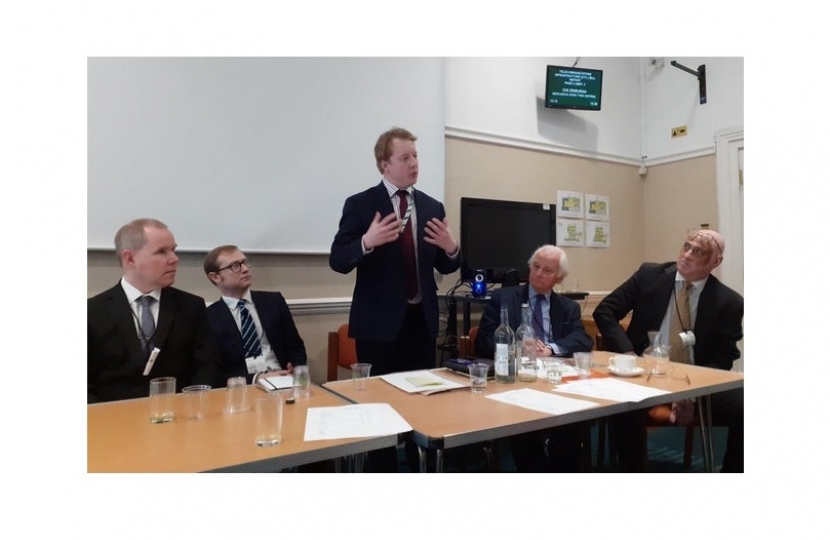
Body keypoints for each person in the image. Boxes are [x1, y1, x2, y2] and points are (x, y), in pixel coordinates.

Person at [330, 127, 460, 472]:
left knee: (424, 405)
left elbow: (447, 263)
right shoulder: (360, 204)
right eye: (405, 158)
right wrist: (366, 241)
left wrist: (452, 247)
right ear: (384, 164)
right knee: (380, 411)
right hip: (378, 328)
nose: (414, 163)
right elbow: (338, 260)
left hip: (422, 324)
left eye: (416, 156)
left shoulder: (432, 205)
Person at [593, 229, 744, 472]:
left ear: (716, 262)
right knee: (625, 405)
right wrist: (629, 354)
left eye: (698, 252)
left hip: (694, 378)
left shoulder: (729, 302)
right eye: (686, 246)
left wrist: (692, 393)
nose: (686, 255)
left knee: (746, 403)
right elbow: (605, 311)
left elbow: (724, 357)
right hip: (644, 373)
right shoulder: (649, 276)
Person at [476, 245, 594, 472]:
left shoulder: (568, 307)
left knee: (570, 425)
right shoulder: (503, 298)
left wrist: (551, 348)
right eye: (535, 267)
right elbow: (482, 342)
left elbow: (582, 340)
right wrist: (516, 346)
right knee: (523, 426)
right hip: (516, 384)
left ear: (559, 278)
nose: (538, 273)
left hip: (556, 383)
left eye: (547, 270)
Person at [88, 218, 222, 403]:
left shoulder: (190, 306)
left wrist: (194, 405)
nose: (174, 259)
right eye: (161, 252)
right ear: (130, 258)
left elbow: (206, 366)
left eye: (173, 250)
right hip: (114, 421)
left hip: (180, 416)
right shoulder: (93, 312)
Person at [203, 245, 307, 383]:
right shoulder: (208, 317)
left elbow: (296, 346)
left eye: (245, 262)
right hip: (243, 388)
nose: (245, 269)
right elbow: (214, 370)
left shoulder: (273, 302)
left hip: (283, 379)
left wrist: (295, 368)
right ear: (215, 277)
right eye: (235, 266)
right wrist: (256, 378)